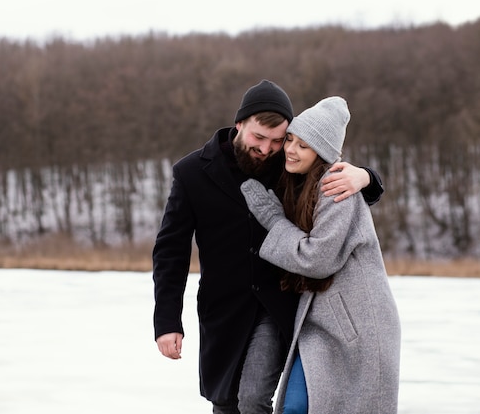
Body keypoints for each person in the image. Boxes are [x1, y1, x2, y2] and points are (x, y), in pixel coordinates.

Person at [152, 80, 385, 414]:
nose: (267, 149)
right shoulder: (191, 173)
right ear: (239, 125)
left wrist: (366, 177)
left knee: (253, 399)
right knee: (225, 402)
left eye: (278, 140)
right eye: (258, 138)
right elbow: (170, 252)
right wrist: (167, 321)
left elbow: (332, 176)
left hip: (276, 304)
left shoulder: (288, 163)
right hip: (223, 310)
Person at [240, 96, 401, 414]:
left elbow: (317, 260)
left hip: (357, 326)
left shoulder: (335, 187)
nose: (291, 149)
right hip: (322, 326)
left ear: (323, 153)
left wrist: (273, 221)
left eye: (304, 145)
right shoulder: (296, 181)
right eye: (291, 139)